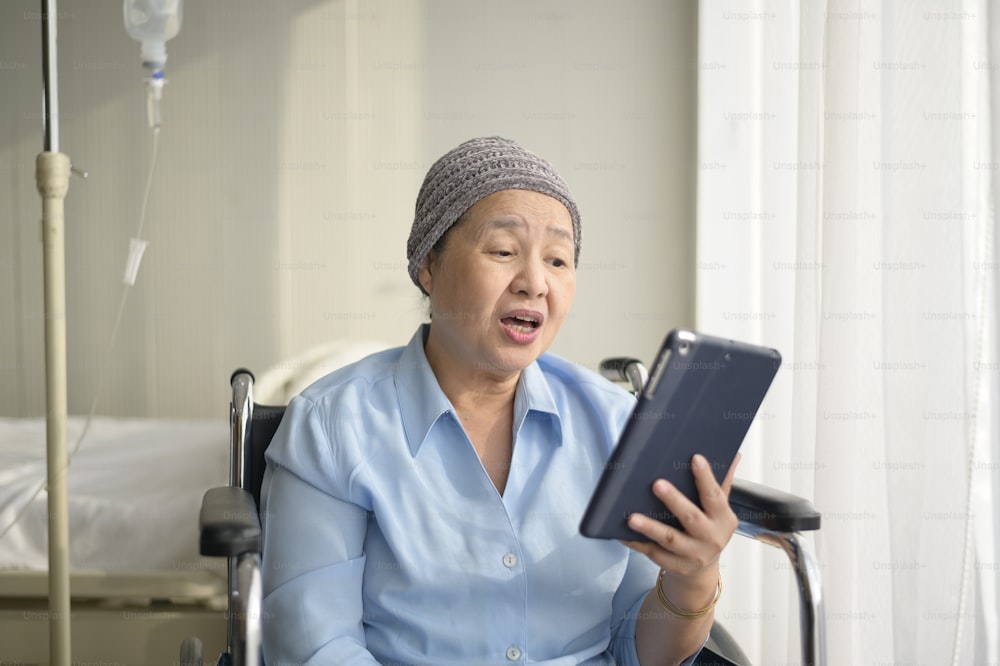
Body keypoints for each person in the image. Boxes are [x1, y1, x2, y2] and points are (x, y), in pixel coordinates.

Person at [260, 136, 740, 665]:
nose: (535, 282)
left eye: (558, 260)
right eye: (503, 251)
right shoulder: (332, 427)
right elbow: (317, 647)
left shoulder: (618, 424)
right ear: (428, 265)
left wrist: (693, 579)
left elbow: (635, 650)